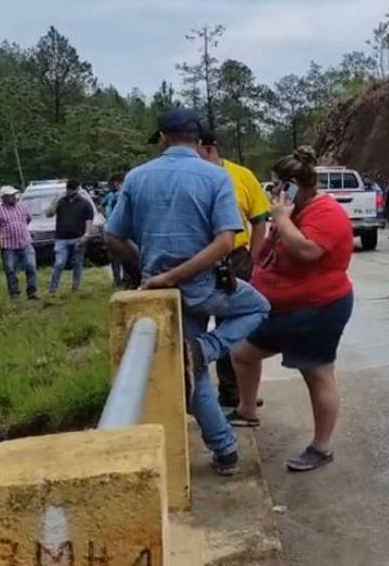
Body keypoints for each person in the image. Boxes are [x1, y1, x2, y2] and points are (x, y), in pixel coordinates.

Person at [104, 109, 271, 476]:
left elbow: (112, 235)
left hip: (159, 291)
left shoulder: (137, 177)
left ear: (163, 138)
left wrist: (150, 273)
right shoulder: (215, 176)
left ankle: (226, 449)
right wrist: (178, 275)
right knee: (258, 307)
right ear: (199, 141)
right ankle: (208, 352)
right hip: (204, 285)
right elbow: (226, 240)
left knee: (191, 371)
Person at [232, 146, 356, 473]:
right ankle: (247, 410)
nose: (273, 193)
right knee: (243, 353)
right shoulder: (291, 211)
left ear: (293, 186)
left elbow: (307, 250)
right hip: (278, 308)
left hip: (317, 308)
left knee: (316, 373)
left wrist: (282, 219)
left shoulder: (325, 213)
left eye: (278, 186)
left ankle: (322, 446)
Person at [196, 130, 272, 424]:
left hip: (237, 258)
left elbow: (260, 220)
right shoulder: (194, 177)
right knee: (202, 323)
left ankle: (239, 392)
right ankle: (220, 390)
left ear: (211, 148)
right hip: (202, 260)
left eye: (197, 148)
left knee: (237, 325)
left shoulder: (242, 176)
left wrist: (253, 258)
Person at [0, 186, 38, 301]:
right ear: (4, 198)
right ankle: (15, 294)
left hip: (25, 242)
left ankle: (32, 292)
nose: (13, 197)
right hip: (8, 245)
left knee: (31, 267)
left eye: (14, 195)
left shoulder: (22, 206)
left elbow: (28, 219)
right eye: (10, 196)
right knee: (10, 270)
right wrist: (0, 234)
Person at [45, 179, 95, 295]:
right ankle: (53, 290)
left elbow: (89, 221)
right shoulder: (61, 202)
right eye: (68, 189)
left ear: (78, 189)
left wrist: (86, 235)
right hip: (61, 238)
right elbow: (49, 214)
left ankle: (75, 287)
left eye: (73, 189)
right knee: (59, 264)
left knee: (77, 263)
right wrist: (56, 201)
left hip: (78, 238)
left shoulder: (85, 204)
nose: (70, 191)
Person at [101, 174, 127, 287]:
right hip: (113, 227)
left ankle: (124, 278)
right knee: (115, 256)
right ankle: (118, 279)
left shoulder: (121, 194)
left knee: (122, 255)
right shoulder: (112, 195)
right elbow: (102, 206)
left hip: (117, 227)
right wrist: (107, 216)